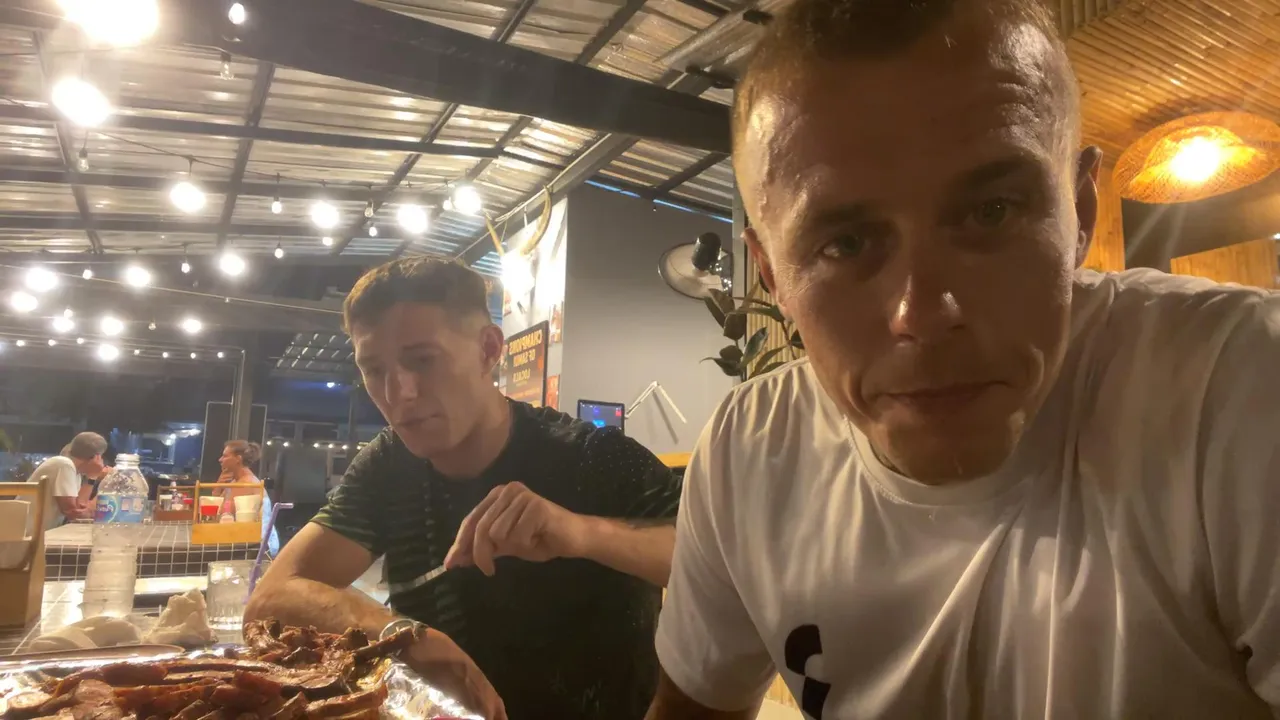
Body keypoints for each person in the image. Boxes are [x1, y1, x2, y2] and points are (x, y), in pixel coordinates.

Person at [647, 0, 1280, 718]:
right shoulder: (749, 450)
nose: (922, 313)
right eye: (845, 245)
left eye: (992, 212)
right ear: (773, 277)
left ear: (1079, 214)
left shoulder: (1239, 388)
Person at [246, 258, 682, 720]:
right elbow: (270, 600)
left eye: (423, 361)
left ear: (488, 349)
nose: (397, 394)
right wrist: (404, 635)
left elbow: (715, 561)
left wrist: (581, 533)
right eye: (373, 369)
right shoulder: (387, 466)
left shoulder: (591, 455)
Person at [27, 432, 108, 531]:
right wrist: (95, 478)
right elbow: (75, 514)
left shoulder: (75, 472)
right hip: (24, 534)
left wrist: (97, 478)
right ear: (96, 457)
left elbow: (80, 508)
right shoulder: (64, 464)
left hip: (37, 534)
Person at [217, 440, 280, 556]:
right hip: (248, 540)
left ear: (238, 459)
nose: (220, 460)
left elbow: (224, 514)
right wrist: (218, 485)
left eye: (225, 456)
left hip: (260, 547)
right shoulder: (236, 481)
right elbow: (216, 508)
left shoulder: (246, 483)